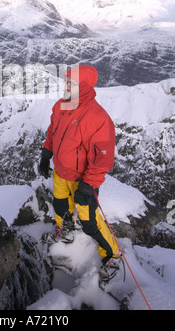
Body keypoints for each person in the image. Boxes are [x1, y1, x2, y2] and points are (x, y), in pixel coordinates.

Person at [38, 64, 121, 279]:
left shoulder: (97, 117)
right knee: (59, 205)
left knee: (89, 220)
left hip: (81, 179)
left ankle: (111, 254)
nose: (65, 85)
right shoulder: (61, 106)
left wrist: (89, 184)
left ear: (83, 87)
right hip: (60, 172)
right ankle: (63, 231)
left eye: (71, 83)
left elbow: (103, 158)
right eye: (66, 81)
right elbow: (52, 132)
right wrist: (46, 154)